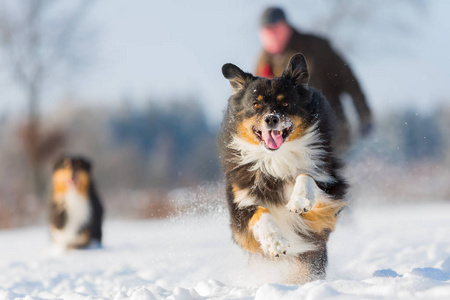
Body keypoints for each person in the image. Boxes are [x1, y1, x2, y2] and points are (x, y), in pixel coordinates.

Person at [255, 7, 373, 155]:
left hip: (329, 125)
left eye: (275, 30)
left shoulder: (316, 47)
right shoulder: (264, 60)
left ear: (286, 27)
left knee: (327, 172)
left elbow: (349, 82)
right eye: (266, 33)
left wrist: (364, 116)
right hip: (287, 137)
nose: (271, 37)